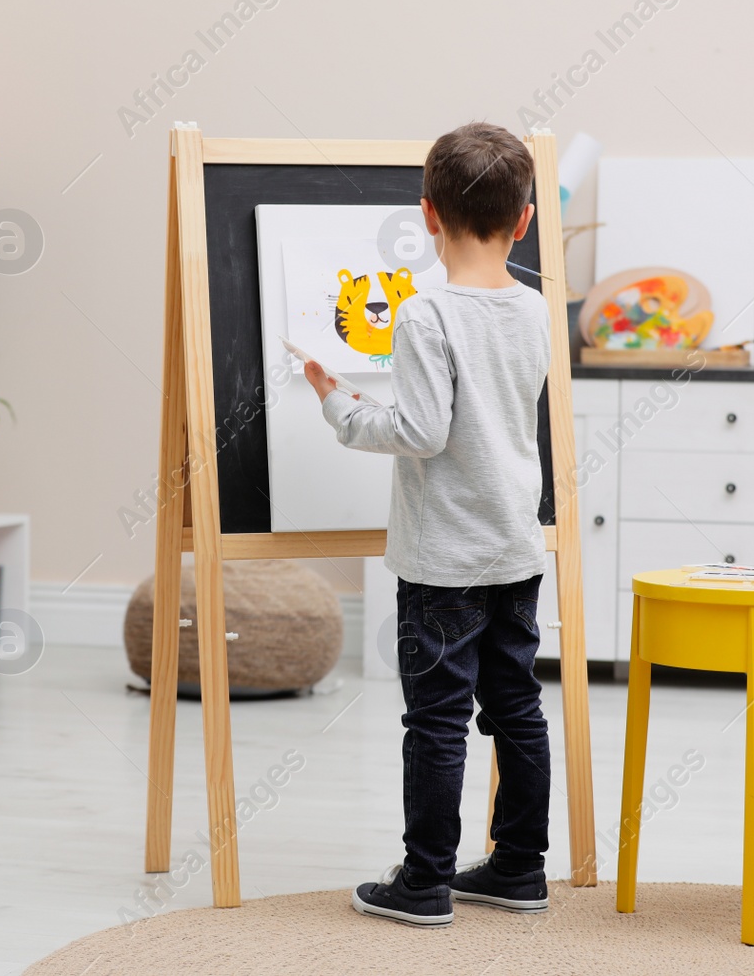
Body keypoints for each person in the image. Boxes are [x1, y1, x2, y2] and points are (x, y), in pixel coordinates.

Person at [304, 122, 553, 927]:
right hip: (516, 545)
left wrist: (341, 406)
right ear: (523, 220)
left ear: (428, 214)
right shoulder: (535, 308)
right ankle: (519, 865)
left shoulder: (422, 315)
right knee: (516, 708)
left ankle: (424, 882)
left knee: (438, 719)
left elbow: (423, 432)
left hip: (444, 560)